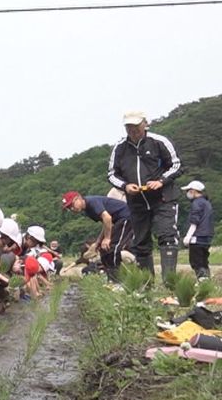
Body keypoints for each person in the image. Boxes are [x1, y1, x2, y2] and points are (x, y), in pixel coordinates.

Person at [108, 111, 183, 280]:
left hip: (163, 198)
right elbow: (112, 174)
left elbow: (177, 165)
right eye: (129, 126)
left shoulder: (159, 142)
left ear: (145, 124)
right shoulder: (120, 148)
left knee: (167, 236)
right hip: (137, 202)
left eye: (136, 125)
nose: (132, 129)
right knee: (140, 243)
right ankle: (146, 284)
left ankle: (169, 282)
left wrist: (161, 181)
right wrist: (125, 186)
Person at [62, 191, 133, 280]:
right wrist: (97, 243)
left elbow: (108, 218)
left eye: (72, 205)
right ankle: (110, 279)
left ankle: (117, 280)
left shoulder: (92, 202)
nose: (72, 209)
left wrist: (107, 238)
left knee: (112, 248)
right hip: (117, 221)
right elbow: (106, 223)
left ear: (78, 198)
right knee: (104, 250)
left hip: (126, 217)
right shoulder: (88, 211)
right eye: (69, 208)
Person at [182, 180, 214, 280]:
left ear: (194, 191)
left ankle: (202, 282)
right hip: (207, 238)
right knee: (204, 261)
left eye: (188, 190)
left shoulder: (196, 203)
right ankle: (207, 282)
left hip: (197, 238)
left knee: (196, 262)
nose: (187, 193)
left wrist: (188, 237)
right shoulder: (207, 203)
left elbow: (194, 222)